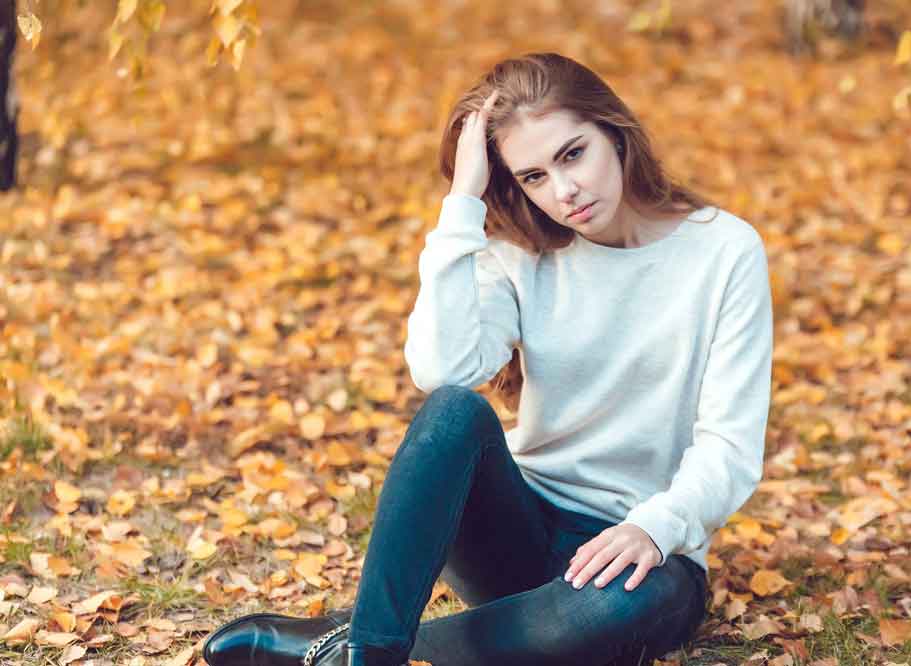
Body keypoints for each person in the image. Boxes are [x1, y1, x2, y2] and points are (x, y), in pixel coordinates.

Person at [201, 51, 773, 666]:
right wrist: (463, 205)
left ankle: (348, 647)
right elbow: (441, 371)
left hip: (641, 556)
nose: (564, 191)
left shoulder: (724, 252)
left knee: (632, 603)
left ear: (614, 132)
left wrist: (654, 528)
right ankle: (375, 652)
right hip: (519, 531)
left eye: (572, 154)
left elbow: (729, 448)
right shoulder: (522, 254)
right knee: (452, 412)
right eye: (532, 177)